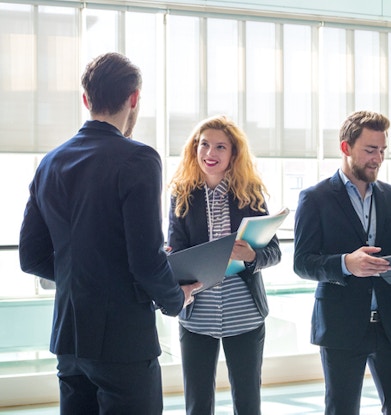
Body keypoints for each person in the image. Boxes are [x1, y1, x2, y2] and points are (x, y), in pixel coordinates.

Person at [18, 52, 200, 415]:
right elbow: (147, 262)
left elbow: (31, 257)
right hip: (123, 340)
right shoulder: (138, 159)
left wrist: (86, 275)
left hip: (69, 338)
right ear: (134, 99)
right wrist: (175, 300)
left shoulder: (50, 162)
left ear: (86, 99)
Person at [293, 110, 391, 415]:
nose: (378, 158)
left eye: (382, 150)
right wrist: (346, 263)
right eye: (370, 150)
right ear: (345, 148)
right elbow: (303, 262)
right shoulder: (314, 198)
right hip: (341, 325)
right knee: (342, 409)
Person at [167, 115, 282, 415]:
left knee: (247, 402)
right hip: (197, 316)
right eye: (204, 145)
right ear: (195, 149)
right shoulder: (181, 195)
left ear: (233, 154)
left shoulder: (250, 193)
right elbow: (176, 252)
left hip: (244, 315)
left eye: (220, 147)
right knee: (198, 404)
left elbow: (274, 252)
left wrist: (252, 257)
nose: (210, 153)